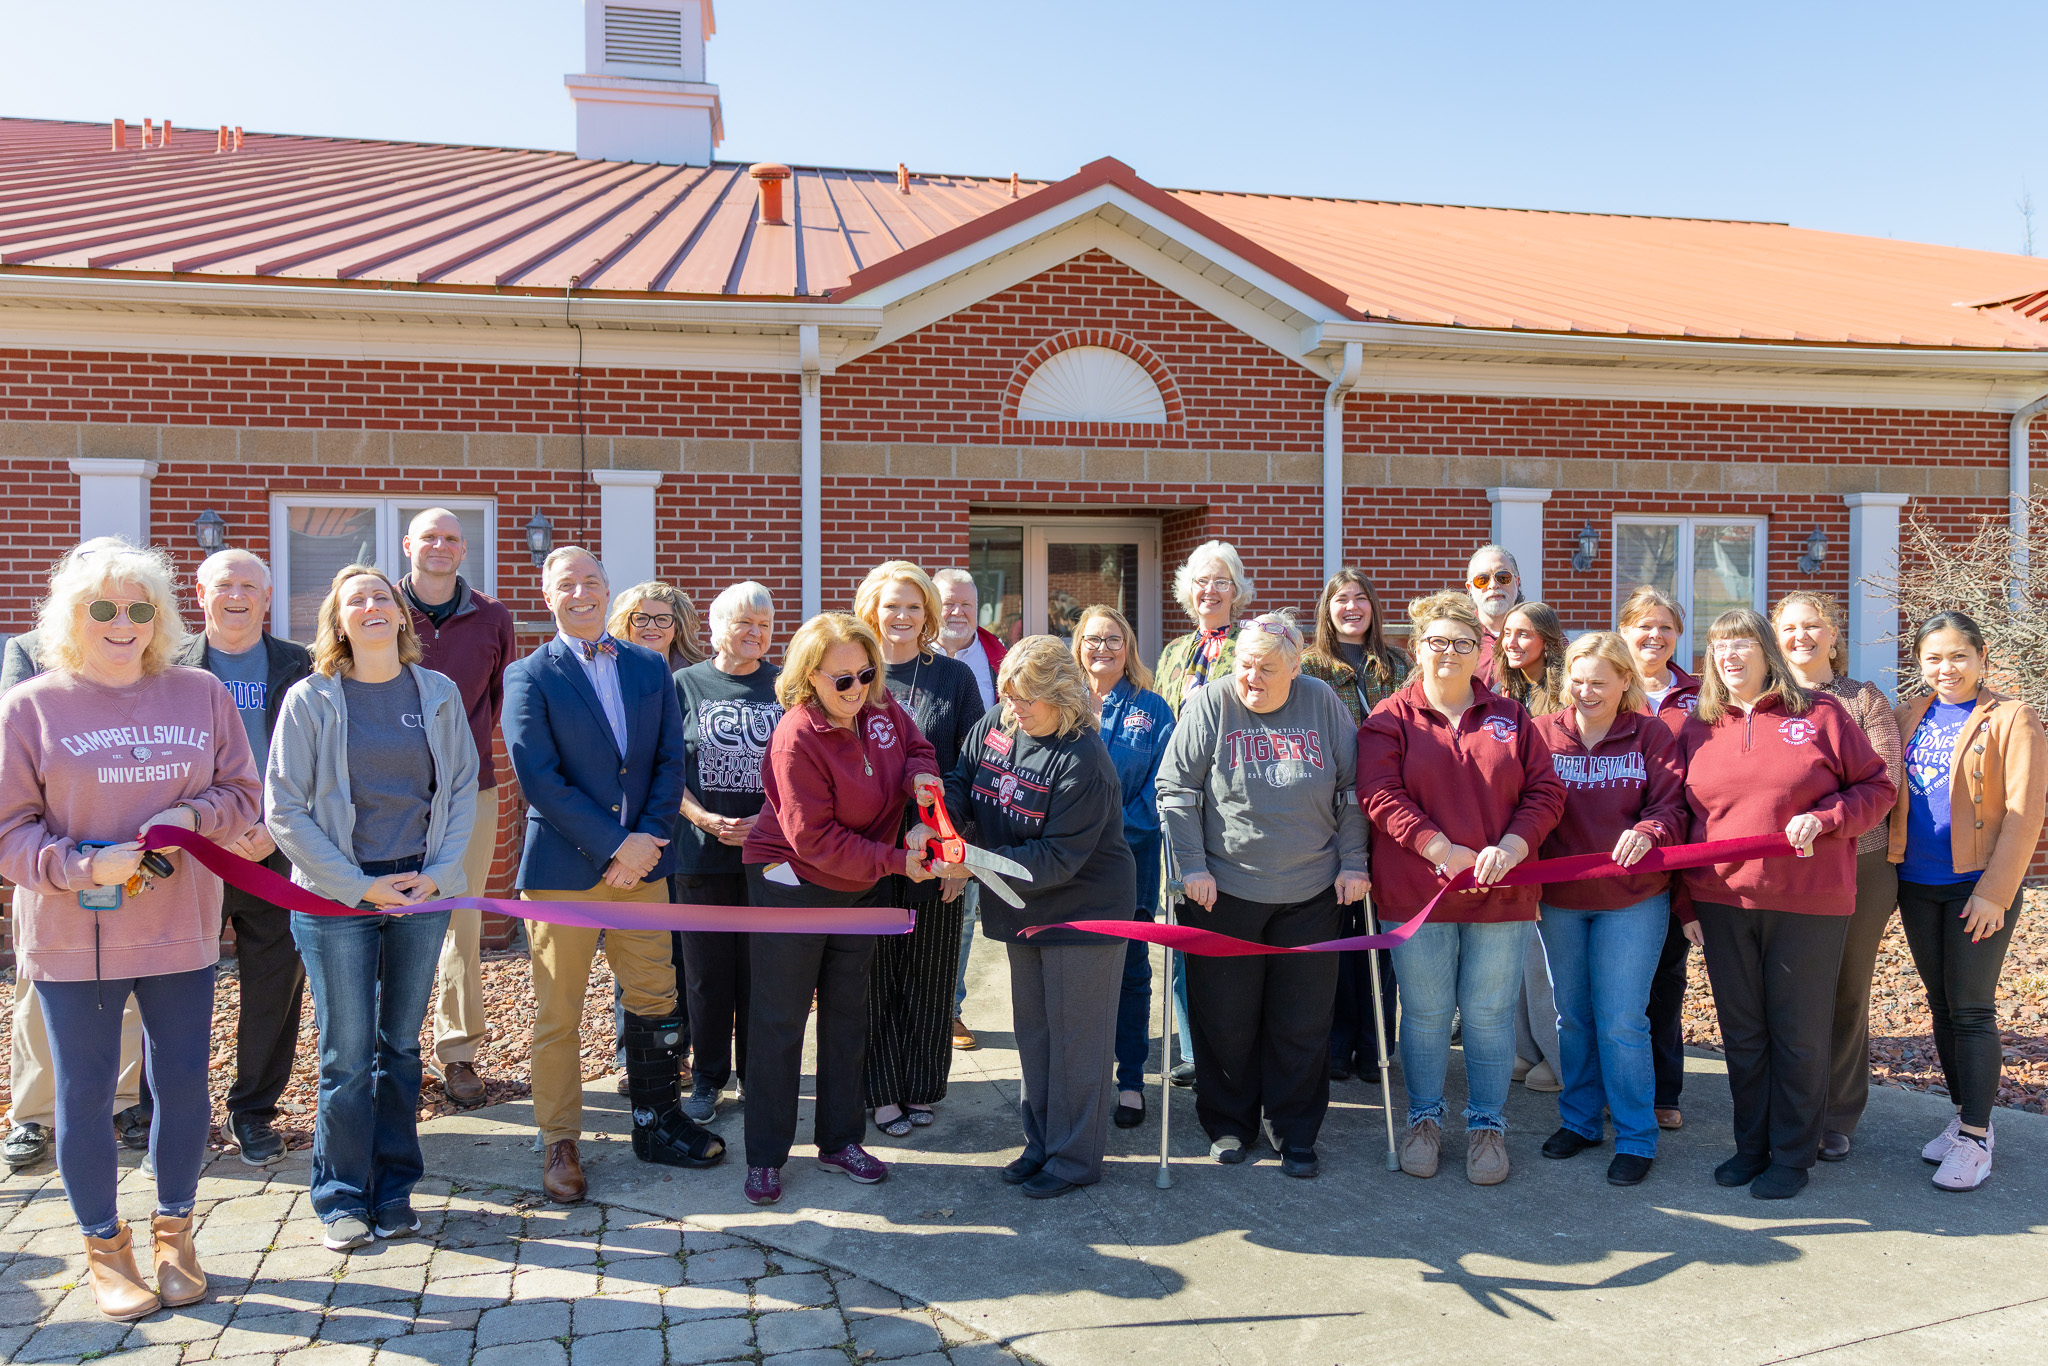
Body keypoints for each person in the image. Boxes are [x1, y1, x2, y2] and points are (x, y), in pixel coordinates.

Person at [0, 542, 261, 1318]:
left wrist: (190, 818)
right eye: (103, 608)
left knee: (181, 1085)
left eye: (140, 608)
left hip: (180, 925)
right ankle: (105, 1248)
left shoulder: (201, 692)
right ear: (71, 616)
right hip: (73, 934)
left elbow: (242, 794)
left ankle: (176, 1236)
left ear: (160, 618)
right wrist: (85, 867)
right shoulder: (30, 706)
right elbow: (9, 833)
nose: (123, 623)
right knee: (84, 1094)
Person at [268, 563, 478, 1250]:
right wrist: (358, 886)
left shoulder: (438, 693)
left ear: (399, 612)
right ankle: (340, 1196)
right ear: (338, 620)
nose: (370, 606)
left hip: (420, 891)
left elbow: (461, 789)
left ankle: (393, 1191)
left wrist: (438, 875)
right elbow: (284, 809)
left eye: (381, 596)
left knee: (401, 1048)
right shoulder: (310, 698)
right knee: (347, 1054)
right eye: (354, 599)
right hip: (336, 895)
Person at [503, 546, 721, 1205]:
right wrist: (615, 847)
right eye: (566, 583)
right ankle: (560, 1142)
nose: (581, 593)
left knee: (654, 996)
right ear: (548, 596)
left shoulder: (648, 667)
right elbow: (539, 778)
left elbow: (669, 762)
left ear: (607, 589)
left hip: (645, 866)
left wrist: (645, 841)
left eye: (591, 581)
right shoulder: (528, 675)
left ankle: (658, 1121)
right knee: (558, 1012)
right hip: (563, 871)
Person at [1676, 608, 1894, 1200]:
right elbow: (1681, 817)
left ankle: (1794, 1155)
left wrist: (1828, 817)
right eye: (1720, 645)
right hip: (1723, 900)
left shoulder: (1821, 713)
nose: (1730, 655)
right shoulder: (1698, 727)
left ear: (1766, 651)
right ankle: (1752, 1146)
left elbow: (1877, 786)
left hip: (1808, 900)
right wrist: (1686, 904)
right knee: (1743, 1030)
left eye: (1743, 643)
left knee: (1798, 1032)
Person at [1359, 591, 1565, 1187]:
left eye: (1463, 643)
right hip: (1418, 894)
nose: (1449, 652)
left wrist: (1515, 846)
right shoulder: (1389, 718)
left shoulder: (1511, 716)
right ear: (1416, 649)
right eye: (1437, 642)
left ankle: (1487, 1126)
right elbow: (1379, 794)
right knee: (1425, 1015)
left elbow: (1545, 792)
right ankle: (1424, 1120)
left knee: (1489, 1015)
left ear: (1481, 651)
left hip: (1502, 892)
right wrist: (1439, 849)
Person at [739, 612, 944, 1205]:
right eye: (842, 679)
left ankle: (839, 1141)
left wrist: (921, 781)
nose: (858, 688)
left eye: (867, 673)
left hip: (863, 877)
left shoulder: (881, 707)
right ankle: (765, 1156)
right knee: (780, 1019)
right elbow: (815, 841)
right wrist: (896, 861)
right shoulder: (796, 736)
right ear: (809, 676)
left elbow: (918, 748)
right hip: (792, 880)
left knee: (850, 1013)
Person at [1158, 613, 1371, 1178]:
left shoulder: (1322, 701)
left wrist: (1354, 860)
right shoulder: (1213, 702)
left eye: (1266, 668)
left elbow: (1354, 788)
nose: (1251, 677)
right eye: (1245, 664)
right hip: (1222, 888)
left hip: (1311, 888)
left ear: (1296, 667)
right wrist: (1191, 866)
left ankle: (1294, 1131)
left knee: (1301, 1019)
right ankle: (1229, 1124)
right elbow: (1175, 788)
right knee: (1225, 1017)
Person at [940, 637, 1136, 1196]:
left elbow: (1056, 858)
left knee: (1077, 1043)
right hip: (1023, 905)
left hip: (1084, 911)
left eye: (1028, 698)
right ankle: (1042, 1144)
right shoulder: (999, 723)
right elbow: (963, 781)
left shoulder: (1083, 759)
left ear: (1063, 696)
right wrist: (941, 816)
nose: (1015, 708)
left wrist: (970, 863)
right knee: (1036, 1035)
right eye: (1008, 695)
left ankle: (1074, 1161)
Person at [1, 538, 150, 1175]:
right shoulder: (27, 651)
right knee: (41, 988)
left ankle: (123, 1102)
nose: (118, 615)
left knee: (132, 982)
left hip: (131, 855)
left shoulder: (148, 650)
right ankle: (34, 1115)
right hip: (53, 856)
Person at [1889, 610, 2046, 1191]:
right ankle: (1963, 1120)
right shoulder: (1909, 714)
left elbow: (2025, 813)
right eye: (1934, 657)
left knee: (1973, 1008)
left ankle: (1978, 1139)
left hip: (1975, 887)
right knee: (1941, 1005)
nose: (1946, 667)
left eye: (1959, 655)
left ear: (1982, 658)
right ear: (1919, 662)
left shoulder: (2012, 717)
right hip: (1916, 883)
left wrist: (1995, 893)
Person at [1531, 633, 1688, 1186]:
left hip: (1632, 899)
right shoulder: (1542, 733)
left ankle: (1636, 1137)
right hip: (1560, 900)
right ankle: (1579, 1120)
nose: (1586, 691)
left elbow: (1673, 806)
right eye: (1577, 680)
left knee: (1622, 1021)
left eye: (1599, 681)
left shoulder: (1651, 734)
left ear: (1625, 680)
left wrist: (1649, 830)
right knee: (1572, 1015)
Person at [178, 548, 313, 1166]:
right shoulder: (166, 664)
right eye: (223, 584)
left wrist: (275, 829)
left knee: (275, 982)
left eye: (249, 586)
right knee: (175, 982)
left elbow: (319, 754)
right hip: (194, 850)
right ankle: (171, 1108)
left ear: (267, 598)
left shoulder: (299, 664)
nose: (236, 595)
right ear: (200, 594)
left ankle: (253, 1109)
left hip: (276, 847)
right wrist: (210, 828)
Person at [1772, 590, 1903, 1162]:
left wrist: (1824, 819)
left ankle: (1836, 1112)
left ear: (1833, 635)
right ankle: (1788, 1102)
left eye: (1812, 625)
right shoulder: (1765, 700)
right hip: (1782, 867)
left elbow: (1885, 782)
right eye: (1789, 627)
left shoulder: (1862, 699)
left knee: (1845, 990)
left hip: (1858, 863)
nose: (1801, 636)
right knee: (1787, 989)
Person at [853, 561, 984, 1135]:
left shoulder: (954, 678)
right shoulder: (852, 674)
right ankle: (881, 1091)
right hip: (867, 851)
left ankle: (922, 1085)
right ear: (871, 610)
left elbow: (973, 769)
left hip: (937, 849)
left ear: (928, 613)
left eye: (913, 606)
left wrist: (959, 852)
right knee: (875, 975)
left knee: (932, 973)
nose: (902, 616)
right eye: (892, 606)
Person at [399, 508, 516, 1110]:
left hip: (472, 789)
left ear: (463, 549)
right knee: (383, 916)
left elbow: (496, 701)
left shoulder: (493, 617)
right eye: (429, 537)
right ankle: (389, 1051)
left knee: (461, 921)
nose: (439, 546)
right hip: (387, 793)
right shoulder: (382, 608)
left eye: (450, 538)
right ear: (408, 545)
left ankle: (458, 1050)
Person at [671, 581, 781, 1123]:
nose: (756, 633)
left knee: (762, 975)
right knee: (706, 977)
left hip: (769, 857)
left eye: (764, 624)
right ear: (715, 629)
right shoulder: (683, 684)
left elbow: (804, 770)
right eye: (744, 623)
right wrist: (702, 818)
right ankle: (708, 1078)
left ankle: (757, 1077)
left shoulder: (786, 685)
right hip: (700, 856)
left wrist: (767, 820)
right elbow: (662, 769)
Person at [1298, 568, 1406, 1084]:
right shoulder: (1309, 668)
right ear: (1327, 608)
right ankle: (1337, 1045)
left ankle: (1377, 1043)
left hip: (1390, 810)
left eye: (1361, 598)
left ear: (1373, 607)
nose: (1352, 607)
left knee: (1380, 935)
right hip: (1331, 812)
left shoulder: (1398, 664)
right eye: (1341, 599)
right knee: (1338, 933)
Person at [602, 580, 711, 1090]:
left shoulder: (694, 679)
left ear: (678, 626)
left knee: (682, 952)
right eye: (640, 618)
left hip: (688, 836)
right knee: (634, 950)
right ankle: (635, 1056)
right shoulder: (609, 674)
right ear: (623, 622)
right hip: (631, 836)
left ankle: (681, 1051)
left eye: (662, 618)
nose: (651, 627)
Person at [1152, 539, 1252, 1086]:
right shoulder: (1172, 653)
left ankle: (1234, 1049)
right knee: (1180, 929)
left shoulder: (1251, 646)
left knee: (1228, 931)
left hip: (1232, 806)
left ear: (1237, 590)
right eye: (1200, 581)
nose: (1209, 590)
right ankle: (1193, 1049)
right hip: (1179, 808)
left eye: (1220, 581)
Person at [1072, 605, 1175, 1129]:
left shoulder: (1152, 709)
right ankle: (1077, 1081)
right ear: (1078, 645)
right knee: (1072, 973)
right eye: (1093, 639)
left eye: (1113, 639)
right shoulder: (1061, 703)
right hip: (1066, 867)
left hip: (1130, 861)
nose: (1103, 648)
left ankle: (1131, 1081)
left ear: (1128, 646)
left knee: (1131, 971)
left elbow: (1161, 786)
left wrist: (1105, 832)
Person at [1617, 584, 1702, 1132]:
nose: (1654, 635)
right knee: (1615, 989)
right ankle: (1615, 1087)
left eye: (1665, 627)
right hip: (1610, 858)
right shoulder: (1601, 685)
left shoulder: (1702, 695)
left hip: (1676, 857)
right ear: (1623, 630)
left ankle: (1663, 1090)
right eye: (1643, 625)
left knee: (1665, 980)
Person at [1493, 601, 1569, 1095]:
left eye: (1524, 634)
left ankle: (1559, 1059)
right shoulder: (1505, 692)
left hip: (1554, 834)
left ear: (1547, 639)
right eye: (1508, 634)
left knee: (1545, 960)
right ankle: (1526, 1047)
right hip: (1511, 832)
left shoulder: (1564, 694)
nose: (1513, 643)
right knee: (1519, 955)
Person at [933, 566, 1006, 1052]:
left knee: (961, 916)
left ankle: (950, 1009)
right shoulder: (907, 655)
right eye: (948, 603)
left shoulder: (998, 657)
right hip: (914, 803)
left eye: (967, 604)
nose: (957, 612)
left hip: (977, 805)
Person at [1463, 544, 1523, 684]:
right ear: (1470, 588)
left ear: (1517, 582)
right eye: (1482, 579)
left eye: (1503, 577)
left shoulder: (1540, 630)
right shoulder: (1457, 634)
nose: (1493, 585)